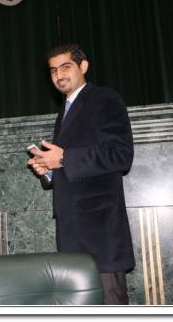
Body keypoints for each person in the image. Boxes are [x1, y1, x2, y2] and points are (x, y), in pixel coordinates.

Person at [28, 43, 135, 305]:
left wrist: (63, 157)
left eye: (65, 67)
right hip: (72, 232)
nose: (59, 75)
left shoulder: (104, 99)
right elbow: (72, 167)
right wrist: (48, 171)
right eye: (53, 70)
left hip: (100, 232)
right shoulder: (64, 112)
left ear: (83, 66)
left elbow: (121, 154)